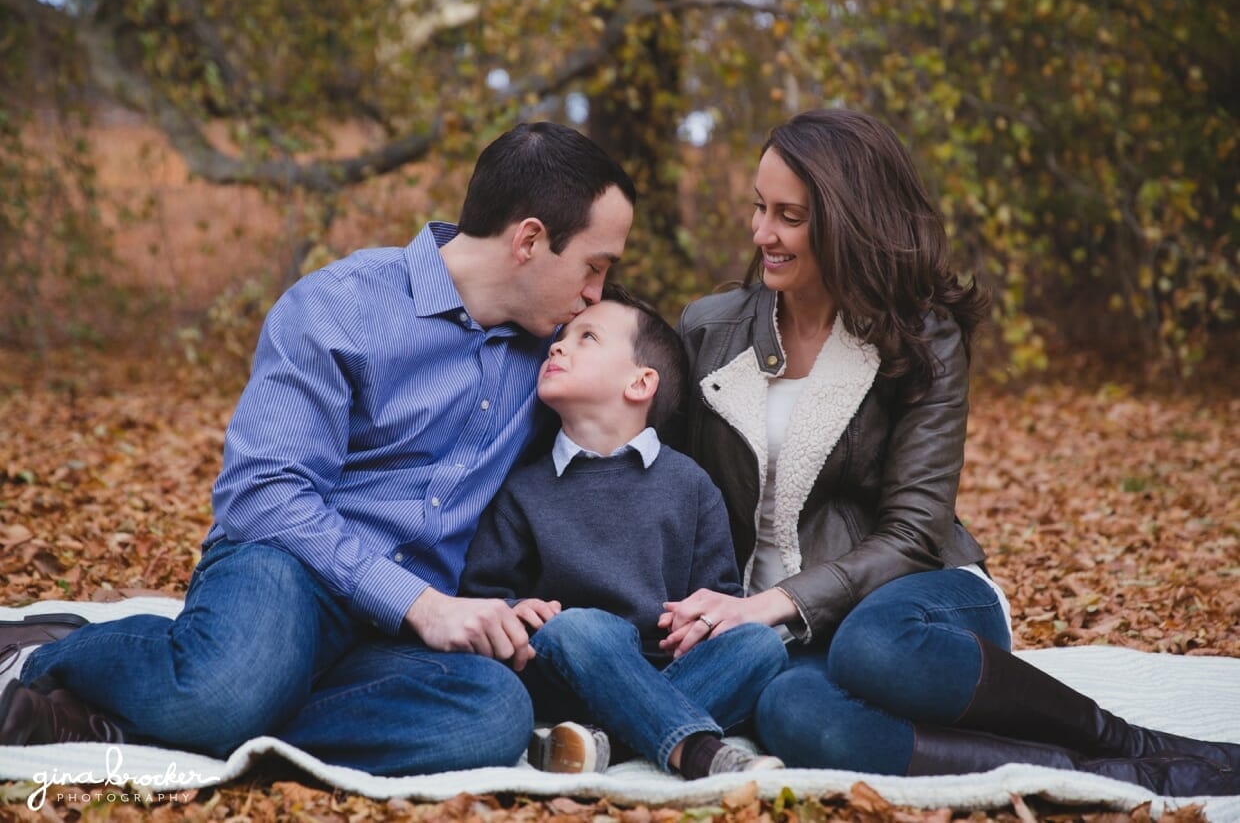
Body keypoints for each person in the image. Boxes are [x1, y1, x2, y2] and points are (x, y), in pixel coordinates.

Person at [0, 122, 637, 776]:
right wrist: (421, 603)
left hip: (392, 634)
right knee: (229, 687)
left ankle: (201, 716)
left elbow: (630, 402)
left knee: (493, 712)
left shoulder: (552, 358)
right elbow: (264, 494)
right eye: (595, 266)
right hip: (287, 570)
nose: (595, 293)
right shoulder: (341, 304)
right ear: (529, 239)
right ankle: (47, 655)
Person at [659, 108, 1240, 796]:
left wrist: (779, 599)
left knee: (871, 648)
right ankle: (1090, 773)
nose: (762, 234)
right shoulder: (708, 331)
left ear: (849, 219)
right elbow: (668, 489)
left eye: (790, 215)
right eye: (759, 208)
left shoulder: (921, 335)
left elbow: (911, 533)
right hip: (785, 629)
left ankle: (1129, 741)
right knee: (790, 711)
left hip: (918, 598)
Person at [459, 285, 787, 779]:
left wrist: (698, 624)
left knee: (761, 646)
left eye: (586, 337)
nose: (558, 346)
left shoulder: (690, 486)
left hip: (665, 669)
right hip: (564, 665)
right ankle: (697, 752)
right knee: (584, 626)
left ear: (640, 383)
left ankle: (603, 743)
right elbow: (484, 595)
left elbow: (716, 600)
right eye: (561, 337)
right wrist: (514, 612)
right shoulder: (524, 487)